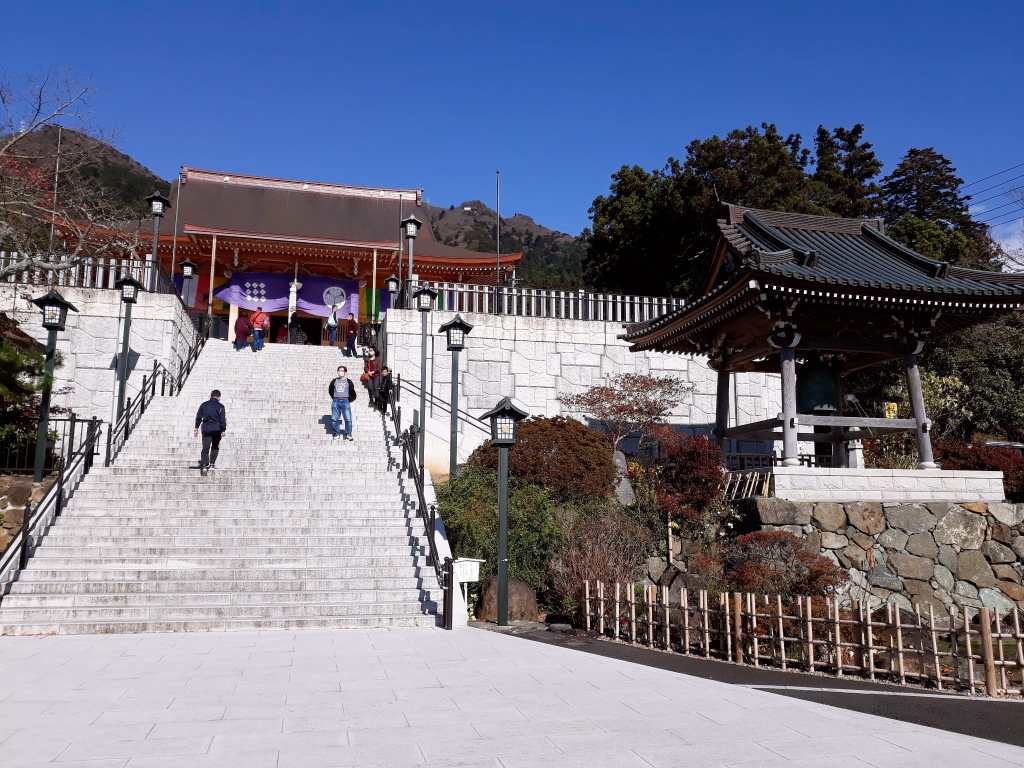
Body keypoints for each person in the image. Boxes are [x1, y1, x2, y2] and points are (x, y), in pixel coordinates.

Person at [194, 389, 226, 476]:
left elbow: (199, 417)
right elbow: (222, 420)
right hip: (216, 429)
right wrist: (223, 430)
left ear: (210, 396)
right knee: (215, 446)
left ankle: (204, 465)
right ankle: (212, 464)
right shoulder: (221, 406)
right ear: (219, 397)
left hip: (206, 429)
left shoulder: (204, 405)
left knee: (205, 447)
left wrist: (196, 427)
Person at [328, 365, 356, 441]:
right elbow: (330, 390)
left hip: (345, 401)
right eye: (339, 370)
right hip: (336, 401)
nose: (340, 372)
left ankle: (348, 434)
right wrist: (334, 398)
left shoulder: (349, 381)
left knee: (348, 419)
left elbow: (353, 392)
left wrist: (348, 400)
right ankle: (336, 433)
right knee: (334, 418)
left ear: (345, 372)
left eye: (342, 371)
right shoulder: (334, 381)